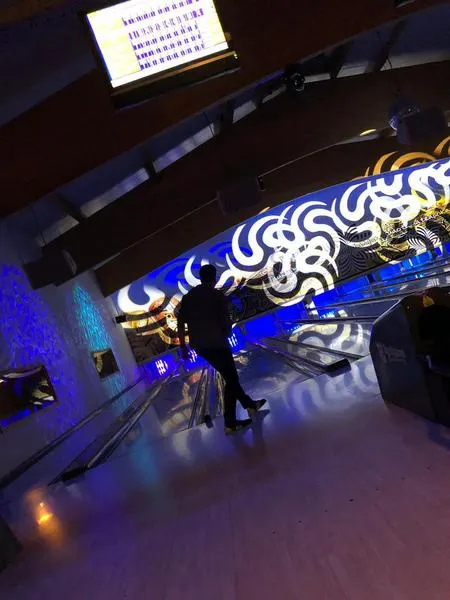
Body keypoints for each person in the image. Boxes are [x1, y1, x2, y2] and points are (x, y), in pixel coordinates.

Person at [177, 264, 266, 435]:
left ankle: (250, 405)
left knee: (229, 377)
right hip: (218, 343)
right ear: (214, 278)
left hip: (200, 346)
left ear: (201, 278)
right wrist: (226, 333)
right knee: (231, 379)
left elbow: (180, 325)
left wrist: (183, 347)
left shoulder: (188, 298)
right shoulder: (217, 296)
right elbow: (226, 324)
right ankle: (230, 423)